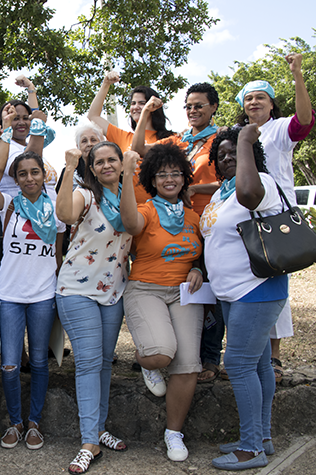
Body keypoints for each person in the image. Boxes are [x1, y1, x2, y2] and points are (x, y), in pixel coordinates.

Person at [201, 126, 287, 471]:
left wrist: (247, 142)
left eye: (234, 151)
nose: (227, 158)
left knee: (237, 365)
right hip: (232, 294)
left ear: (252, 154)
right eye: (221, 154)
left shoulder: (259, 184)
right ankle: (261, 437)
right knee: (259, 364)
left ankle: (251, 449)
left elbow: (249, 196)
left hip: (257, 290)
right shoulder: (222, 193)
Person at [0, 110, 66, 451]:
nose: (30, 178)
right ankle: (14, 422)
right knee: (9, 363)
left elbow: (58, 254)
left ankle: (34, 423)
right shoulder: (9, 205)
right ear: (16, 178)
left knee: (40, 362)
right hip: (11, 294)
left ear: (42, 175)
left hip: (43, 294)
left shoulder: (58, 209)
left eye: (35, 172)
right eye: (23, 173)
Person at [119, 143, 204, 462]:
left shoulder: (194, 216)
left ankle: (174, 433)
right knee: (161, 355)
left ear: (184, 178)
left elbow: (200, 254)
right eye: (162, 174)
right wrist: (127, 174)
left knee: (187, 365)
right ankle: (147, 362)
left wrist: (197, 268)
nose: (170, 178)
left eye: (176, 173)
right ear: (152, 180)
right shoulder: (146, 209)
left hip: (184, 293)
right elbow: (129, 224)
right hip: (146, 289)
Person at [233, 53, 315, 384]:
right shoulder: (237, 134)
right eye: (249, 98)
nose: (254, 102)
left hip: (276, 217)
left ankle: (275, 356)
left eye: (261, 97)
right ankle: (253, 354)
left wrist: (297, 75)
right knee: (250, 281)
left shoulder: (280, 129)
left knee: (274, 280)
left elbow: (305, 121)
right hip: (245, 214)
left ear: (270, 104)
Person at [55, 143, 133, 473]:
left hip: (113, 291)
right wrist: (70, 169)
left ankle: (99, 429)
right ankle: (89, 441)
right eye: (98, 161)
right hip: (76, 289)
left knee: (102, 362)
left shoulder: (130, 198)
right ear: (93, 167)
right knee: (87, 362)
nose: (105, 165)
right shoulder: (86, 195)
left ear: (121, 162)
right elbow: (65, 215)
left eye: (111, 159)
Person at [132, 83, 220, 217]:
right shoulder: (179, 140)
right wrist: (145, 112)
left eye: (199, 106)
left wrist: (194, 189)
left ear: (214, 107)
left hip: (212, 216)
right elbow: (138, 149)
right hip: (181, 218)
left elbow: (232, 182)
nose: (192, 111)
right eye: (188, 107)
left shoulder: (221, 140)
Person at [88, 71, 175, 204]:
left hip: (162, 208)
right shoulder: (122, 136)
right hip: (131, 210)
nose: (136, 107)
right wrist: (106, 84)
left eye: (142, 103)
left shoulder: (170, 139)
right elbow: (93, 116)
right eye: (133, 103)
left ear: (154, 105)